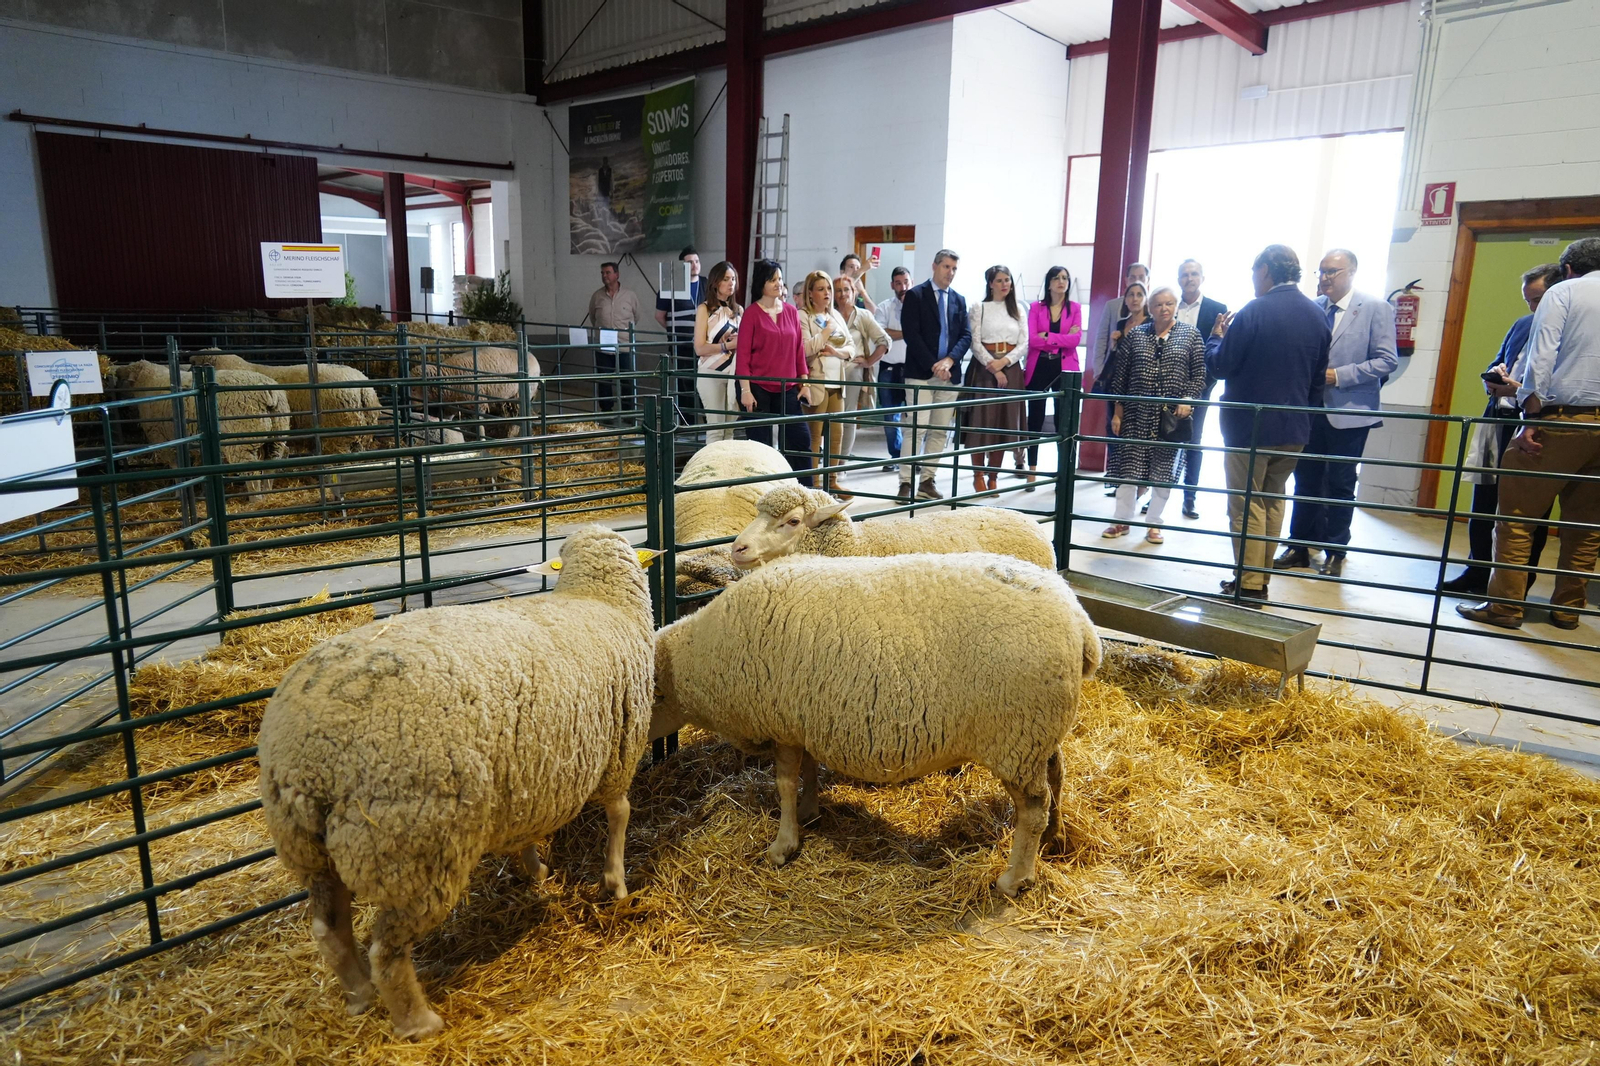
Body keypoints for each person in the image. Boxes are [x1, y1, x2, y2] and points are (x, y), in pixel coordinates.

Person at [1457, 237, 1600, 631]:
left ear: (1567, 269)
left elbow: (1542, 355)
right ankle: (1568, 609)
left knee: (1517, 518)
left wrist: (1530, 419)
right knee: (1585, 527)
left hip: (1560, 420)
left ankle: (1505, 608)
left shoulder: (1564, 293)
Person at [1205, 244, 1331, 604]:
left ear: (1264, 271)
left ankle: (1247, 585)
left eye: (1253, 273)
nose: (1253, 280)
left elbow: (1222, 366)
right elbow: (1317, 379)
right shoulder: (1316, 314)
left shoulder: (1253, 312)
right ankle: (1260, 580)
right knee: (1274, 499)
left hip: (1250, 427)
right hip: (1295, 428)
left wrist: (1216, 337)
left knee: (1246, 505)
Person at [1273, 249, 1399, 578]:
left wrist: (1340, 375)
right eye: (1322, 271)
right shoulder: (1313, 309)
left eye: (1333, 271)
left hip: (1351, 412)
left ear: (1352, 273)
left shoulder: (1375, 308)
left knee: (1342, 483)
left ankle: (1335, 551)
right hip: (1312, 411)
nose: (1326, 278)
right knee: (1305, 480)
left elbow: (1387, 360)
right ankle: (1299, 545)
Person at [1440, 263, 1564, 596]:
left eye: (1537, 300)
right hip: (1499, 421)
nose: (1532, 309)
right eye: (1528, 301)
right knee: (1483, 503)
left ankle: (1517, 584)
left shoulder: (1567, 330)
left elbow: (1560, 386)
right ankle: (1477, 572)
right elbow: (1498, 360)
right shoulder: (1522, 324)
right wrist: (1495, 376)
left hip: (1534, 426)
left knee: (1526, 510)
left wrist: (1517, 388)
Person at [1100, 287, 1207, 542]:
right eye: (1158, 304)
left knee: (1163, 472)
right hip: (1136, 414)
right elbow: (1120, 378)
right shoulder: (1136, 335)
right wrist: (1118, 412)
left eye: (1169, 303)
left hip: (1170, 417)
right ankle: (1120, 522)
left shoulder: (1191, 335)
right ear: (1151, 308)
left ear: (1176, 306)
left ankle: (1154, 523)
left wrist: (1188, 399)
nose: (1164, 309)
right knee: (1128, 471)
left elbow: (1199, 374)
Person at [898, 249, 971, 501]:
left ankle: (927, 480)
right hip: (921, 372)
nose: (950, 273)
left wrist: (949, 361)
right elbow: (912, 335)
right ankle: (905, 482)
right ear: (934, 266)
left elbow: (965, 335)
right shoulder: (916, 295)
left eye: (954, 269)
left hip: (949, 374)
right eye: (946, 267)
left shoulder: (959, 300)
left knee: (940, 429)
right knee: (916, 428)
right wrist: (934, 365)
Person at [737, 259, 814, 484]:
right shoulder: (751, 314)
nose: (778, 284)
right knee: (761, 446)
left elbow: (799, 350)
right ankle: (762, 492)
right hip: (758, 387)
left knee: (800, 439)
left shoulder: (791, 312)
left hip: (788, 386)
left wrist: (805, 383)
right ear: (761, 283)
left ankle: (805, 492)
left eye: (780, 279)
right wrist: (745, 390)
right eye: (772, 279)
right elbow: (743, 355)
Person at [964, 265, 1029, 496]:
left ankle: (994, 476)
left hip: (1010, 369)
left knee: (1003, 424)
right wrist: (993, 366)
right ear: (990, 283)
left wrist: (1005, 363)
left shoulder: (1018, 310)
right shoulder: (979, 308)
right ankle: (978, 475)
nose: (1004, 284)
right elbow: (975, 341)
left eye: (1007, 280)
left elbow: (1024, 343)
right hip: (984, 368)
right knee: (983, 422)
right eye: (999, 280)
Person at [1172, 260, 1229, 518]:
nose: (1189, 278)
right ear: (1178, 279)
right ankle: (1157, 494)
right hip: (1168, 385)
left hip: (1200, 385)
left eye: (1194, 274)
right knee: (1164, 440)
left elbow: (1220, 350)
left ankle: (1189, 497)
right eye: (1184, 274)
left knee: (1194, 440)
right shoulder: (1169, 305)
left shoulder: (1217, 310)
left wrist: (1203, 384)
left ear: (1202, 277)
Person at [1021, 266, 1083, 489]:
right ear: (1048, 283)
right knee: (1035, 419)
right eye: (1056, 278)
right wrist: (1060, 338)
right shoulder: (1036, 308)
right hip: (1039, 366)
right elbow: (1032, 340)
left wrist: (1047, 335)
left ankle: (1062, 472)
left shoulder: (1074, 308)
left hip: (1064, 367)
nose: (1061, 281)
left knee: (1062, 421)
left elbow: (1075, 340)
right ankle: (1032, 471)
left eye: (1065, 278)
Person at [799, 270, 855, 496]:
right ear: (810, 293)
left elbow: (851, 347)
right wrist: (826, 333)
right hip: (816, 382)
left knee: (836, 435)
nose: (827, 294)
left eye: (828, 289)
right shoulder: (803, 315)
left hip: (837, 383)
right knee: (814, 435)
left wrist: (837, 352)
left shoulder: (836, 316)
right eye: (821, 289)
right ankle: (812, 483)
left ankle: (831, 481)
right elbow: (804, 348)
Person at [833, 273, 890, 489]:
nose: (842, 294)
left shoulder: (863, 315)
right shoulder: (827, 314)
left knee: (847, 418)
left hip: (852, 373)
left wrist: (869, 361)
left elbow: (884, 340)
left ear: (854, 292)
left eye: (846, 290)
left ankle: (841, 464)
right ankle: (828, 461)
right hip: (828, 373)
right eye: (838, 290)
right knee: (830, 419)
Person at [1097, 280, 1148, 496]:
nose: (1134, 299)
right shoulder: (1120, 324)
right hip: (1117, 385)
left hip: (1141, 386)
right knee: (1114, 430)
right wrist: (1114, 344)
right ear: (1125, 300)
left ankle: (1142, 484)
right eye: (1130, 295)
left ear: (1145, 298)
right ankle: (1120, 480)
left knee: (1140, 435)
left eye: (1139, 294)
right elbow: (1116, 357)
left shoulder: (1152, 324)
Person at [692, 260, 743, 443]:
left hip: (733, 373)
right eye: (726, 279)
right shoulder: (704, 309)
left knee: (729, 430)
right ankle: (711, 470)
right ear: (716, 282)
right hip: (711, 372)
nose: (731, 283)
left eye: (734, 279)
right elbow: (699, 348)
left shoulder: (738, 311)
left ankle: (727, 470)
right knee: (715, 428)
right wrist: (727, 346)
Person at [586, 261, 641, 412]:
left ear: (617, 274)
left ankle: (628, 411)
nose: (604, 276)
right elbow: (593, 317)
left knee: (627, 380)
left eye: (608, 273)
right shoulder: (597, 296)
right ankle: (607, 411)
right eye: (602, 273)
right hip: (603, 346)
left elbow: (636, 316)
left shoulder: (630, 295)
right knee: (604, 380)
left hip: (624, 346)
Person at [874, 266, 912, 473]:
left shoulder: (920, 306)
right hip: (889, 368)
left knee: (917, 417)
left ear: (911, 282)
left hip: (913, 369)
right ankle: (896, 456)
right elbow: (881, 334)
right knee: (890, 416)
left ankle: (914, 458)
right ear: (892, 285)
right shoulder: (884, 307)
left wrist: (896, 333)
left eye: (906, 282)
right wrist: (909, 331)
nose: (903, 286)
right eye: (898, 283)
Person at [656, 246, 702, 415]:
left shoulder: (707, 284)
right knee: (685, 384)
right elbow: (660, 316)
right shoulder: (670, 287)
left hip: (705, 345)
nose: (695, 265)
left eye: (697, 261)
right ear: (682, 265)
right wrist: (675, 331)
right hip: (682, 345)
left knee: (705, 383)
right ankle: (687, 423)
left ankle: (707, 422)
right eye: (690, 262)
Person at [1091, 262, 1149, 376]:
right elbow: (1101, 339)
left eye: (1141, 277)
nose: (1137, 281)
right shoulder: (1111, 306)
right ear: (1126, 280)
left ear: (1148, 280)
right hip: (1113, 368)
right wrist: (1099, 370)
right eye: (1133, 277)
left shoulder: (1153, 306)